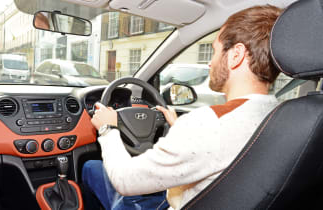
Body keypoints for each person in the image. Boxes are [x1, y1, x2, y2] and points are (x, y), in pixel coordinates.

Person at [82, 5, 282, 210]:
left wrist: (107, 128)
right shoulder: (282, 115)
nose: (209, 64)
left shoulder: (205, 124)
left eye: (214, 51)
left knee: (90, 168)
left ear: (236, 55)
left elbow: (126, 180)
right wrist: (179, 127)